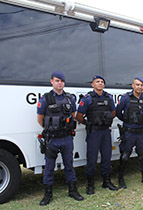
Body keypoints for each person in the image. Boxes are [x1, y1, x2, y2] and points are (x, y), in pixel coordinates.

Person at [37, 71, 83, 206]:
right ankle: (47, 195)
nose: (60, 83)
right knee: (49, 167)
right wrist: (52, 130)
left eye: (62, 81)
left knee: (69, 165)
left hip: (67, 138)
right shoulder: (46, 98)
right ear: (52, 81)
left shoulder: (70, 98)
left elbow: (73, 114)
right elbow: (40, 119)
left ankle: (73, 191)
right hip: (52, 139)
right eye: (57, 80)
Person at [76, 75, 118, 194]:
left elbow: (113, 112)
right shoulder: (88, 98)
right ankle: (90, 185)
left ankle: (107, 181)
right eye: (97, 82)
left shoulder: (108, 98)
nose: (100, 83)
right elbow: (79, 116)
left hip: (105, 131)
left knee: (106, 157)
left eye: (102, 82)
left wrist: (106, 119)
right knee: (92, 159)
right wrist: (88, 123)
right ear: (92, 84)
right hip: (94, 132)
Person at [116, 77, 143, 189]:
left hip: (141, 131)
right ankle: (121, 179)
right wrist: (127, 121)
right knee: (125, 156)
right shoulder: (126, 98)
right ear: (132, 85)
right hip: (129, 132)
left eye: (141, 85)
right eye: (137, 85)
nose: (139, 87)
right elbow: (118, 112)